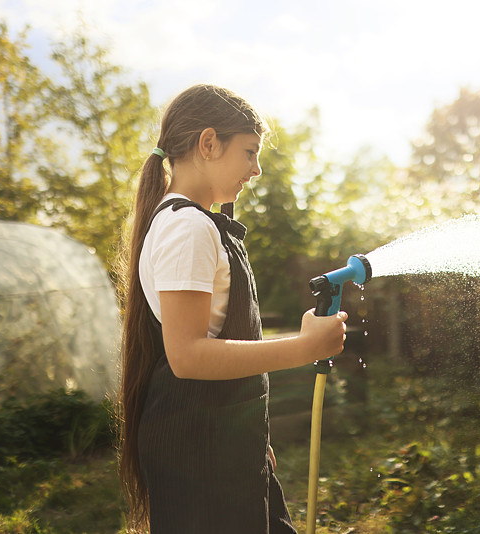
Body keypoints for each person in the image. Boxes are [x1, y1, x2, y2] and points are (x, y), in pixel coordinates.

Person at [117, 84, 348, 533]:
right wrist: (304, 347)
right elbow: (187, 356)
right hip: (202, 458)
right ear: (209, 144)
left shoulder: (187, 222)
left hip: (222, 443)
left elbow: (216, 342)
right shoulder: (188, 228)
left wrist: (251, 433)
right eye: (249, 152)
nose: (256, 169)